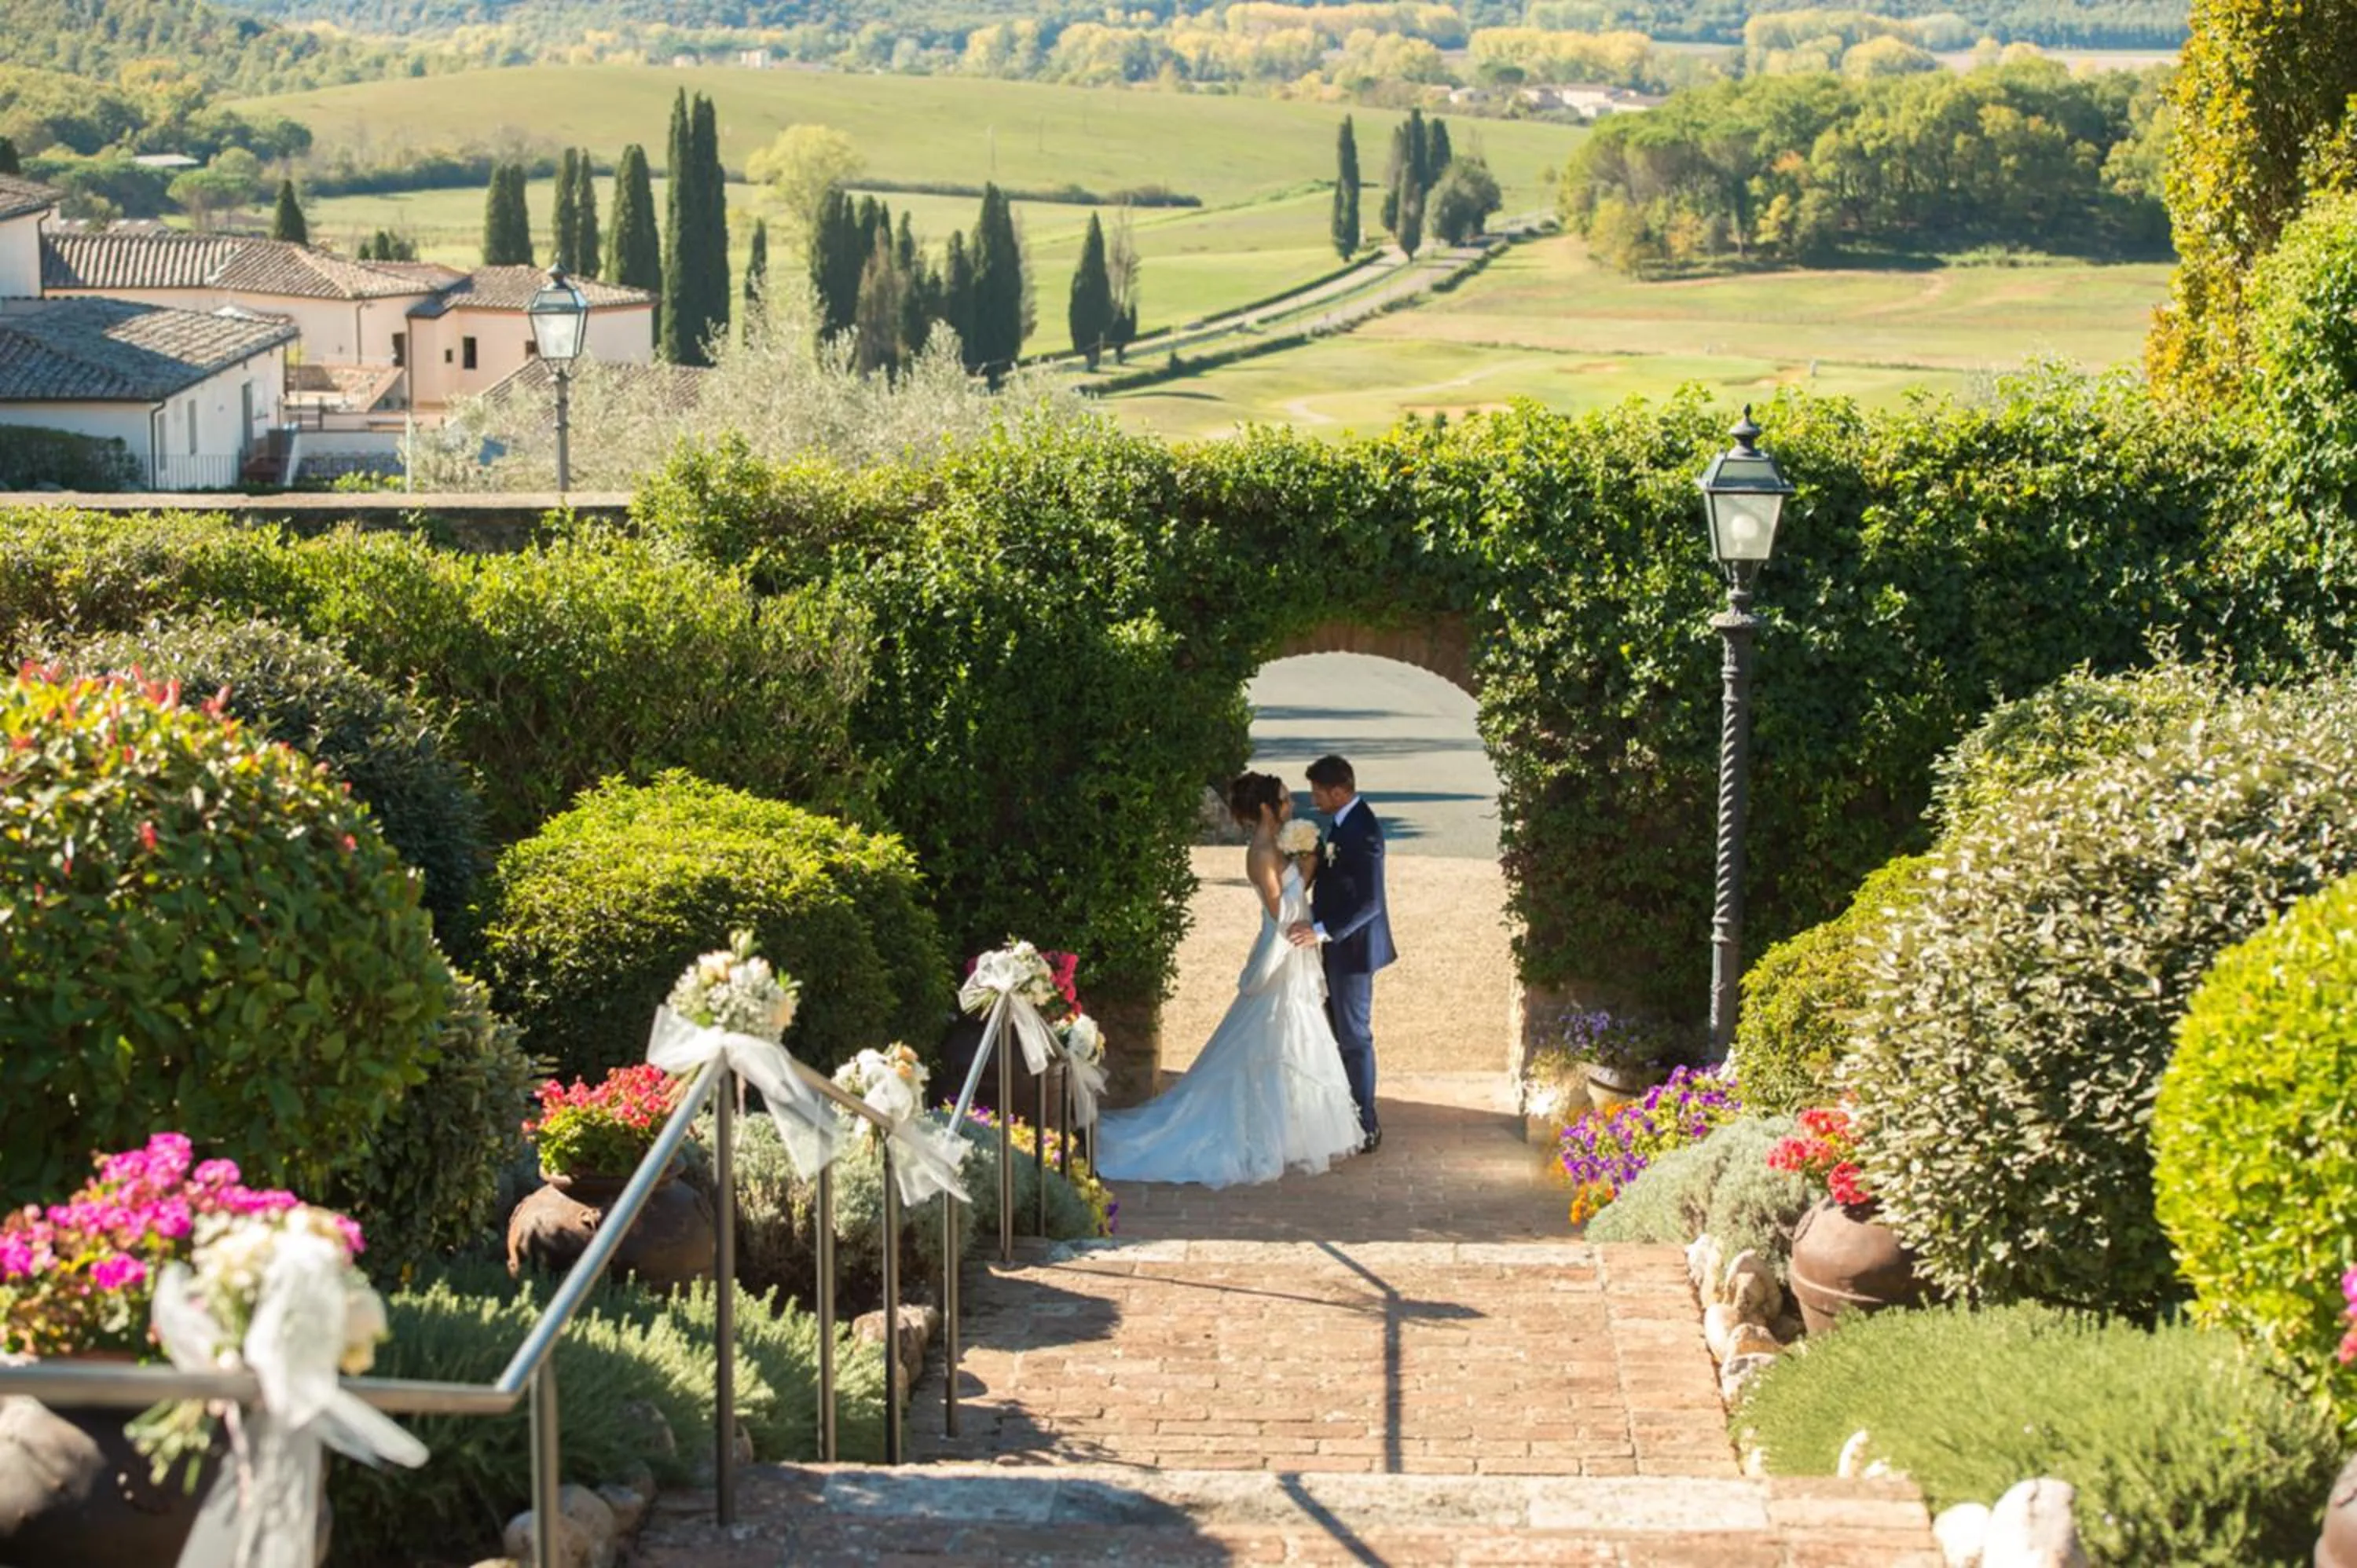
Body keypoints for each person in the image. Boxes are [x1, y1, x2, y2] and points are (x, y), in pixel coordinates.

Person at [1094, 771, 1365, 1189]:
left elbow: (1295, 892)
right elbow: (1281, 912)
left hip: (1297, 948)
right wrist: (1307, 886)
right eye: (1284, 799)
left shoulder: (1278, 845)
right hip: (1283, 949)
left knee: (1294, 1036)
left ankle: (1290, 1130)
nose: (1291, 805)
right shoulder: (1260, 852)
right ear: (1264, 808)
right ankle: (1260, 1132)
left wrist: (1308, 861)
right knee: (1268, 1037)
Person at [1286, 753, 1394, 1152]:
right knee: (1338, 1033)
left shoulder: (1363, 831)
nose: (1313, 799)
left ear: (1340, 791)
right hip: (1338, 947)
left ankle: (1367, 1124)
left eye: (1318, 792)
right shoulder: (1342, 823)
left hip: (1353, 950)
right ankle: (1345, 1116)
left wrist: (1320, 931)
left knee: (1354, 1037)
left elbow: (1370, 903)